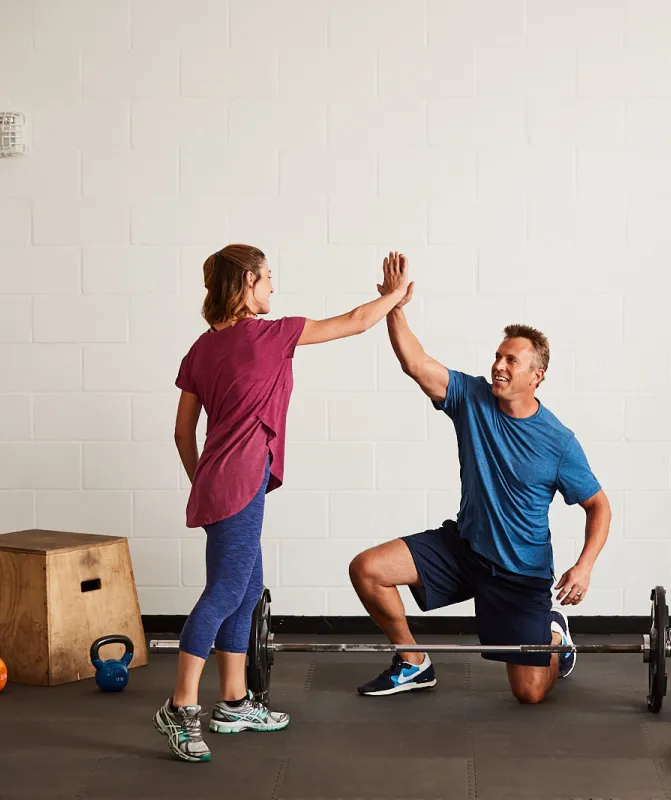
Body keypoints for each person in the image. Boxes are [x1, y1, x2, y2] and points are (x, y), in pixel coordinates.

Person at [153, 245, 410, 762]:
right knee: (225, 592)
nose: (273, 287)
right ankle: (179, 706)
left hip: (218, 484)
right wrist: (396, 295)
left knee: (245, 591)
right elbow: (357, 322)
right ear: (247, 283)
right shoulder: (270, 335)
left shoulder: (201, 349)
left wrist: (204, 480)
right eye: (268, 278)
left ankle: (232, 702)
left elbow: (183, 430)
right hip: (239, 484)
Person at [349, 255, 611, 704]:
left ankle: (554, 636)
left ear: (536, 376)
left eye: (512, 360)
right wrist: (394, 303)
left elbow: (599, 505)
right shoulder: (471, 398)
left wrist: (584, 566)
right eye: (497, 356)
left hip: (519, 575)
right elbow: (416, 363)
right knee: (368, 569)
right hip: (466, 551)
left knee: (528, 694)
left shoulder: (558, 441)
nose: (499, 366)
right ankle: (413, 662)